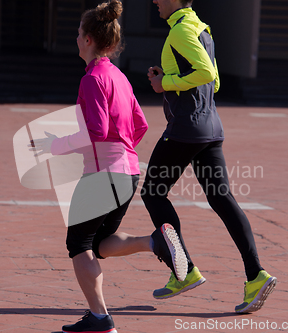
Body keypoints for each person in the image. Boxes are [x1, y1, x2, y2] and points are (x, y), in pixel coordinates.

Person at [29, 1, 188, 332]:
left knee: (78, 246)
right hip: (128, 173)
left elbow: (97, 130)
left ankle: (100, 318)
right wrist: (121, 153)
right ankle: (154, 241)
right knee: (101, 243)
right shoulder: (119, 77)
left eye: (77, 34)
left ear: (89, 40)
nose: (76, 38)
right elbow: (141, 125)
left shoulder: (91, 79)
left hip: (103, 176)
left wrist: (55, 145)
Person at [144, 0, 277, 313]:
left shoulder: (179, 31)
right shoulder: (202, 28)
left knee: (153, 193)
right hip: (211, 127)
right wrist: (172, 79)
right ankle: (255, 275)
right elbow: (214, 80)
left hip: (186, 130)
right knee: (223, 199)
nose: (155, 1)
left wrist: (165, 83)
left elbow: (204, 73)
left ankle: (184, 271)